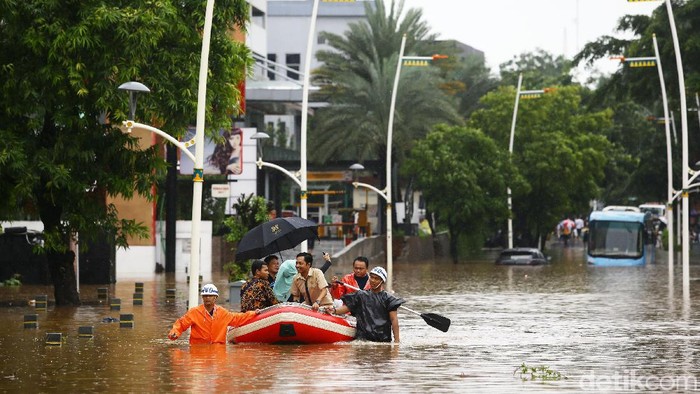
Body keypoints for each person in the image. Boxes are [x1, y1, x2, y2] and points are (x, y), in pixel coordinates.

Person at [327, 267, 403, 343]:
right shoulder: (361, 295)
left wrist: (397, 341)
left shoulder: (389, 299)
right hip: (362, 339)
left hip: (382, 339)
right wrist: (334, 310)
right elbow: (348, 307)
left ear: (382, 281)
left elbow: (394, 320)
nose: (373, 280)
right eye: (372, 277)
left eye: (376, 279)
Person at [168, 284, 257, 344]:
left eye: (210, 295)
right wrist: (174, 333)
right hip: (198, 350)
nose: (208, 298)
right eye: (205, 296)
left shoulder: (223, 313)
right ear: (202, 297)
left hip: (218, 351)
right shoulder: (194, 312)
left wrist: (253, 313)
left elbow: (238, 318)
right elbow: (181, 324)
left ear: (215, 297)